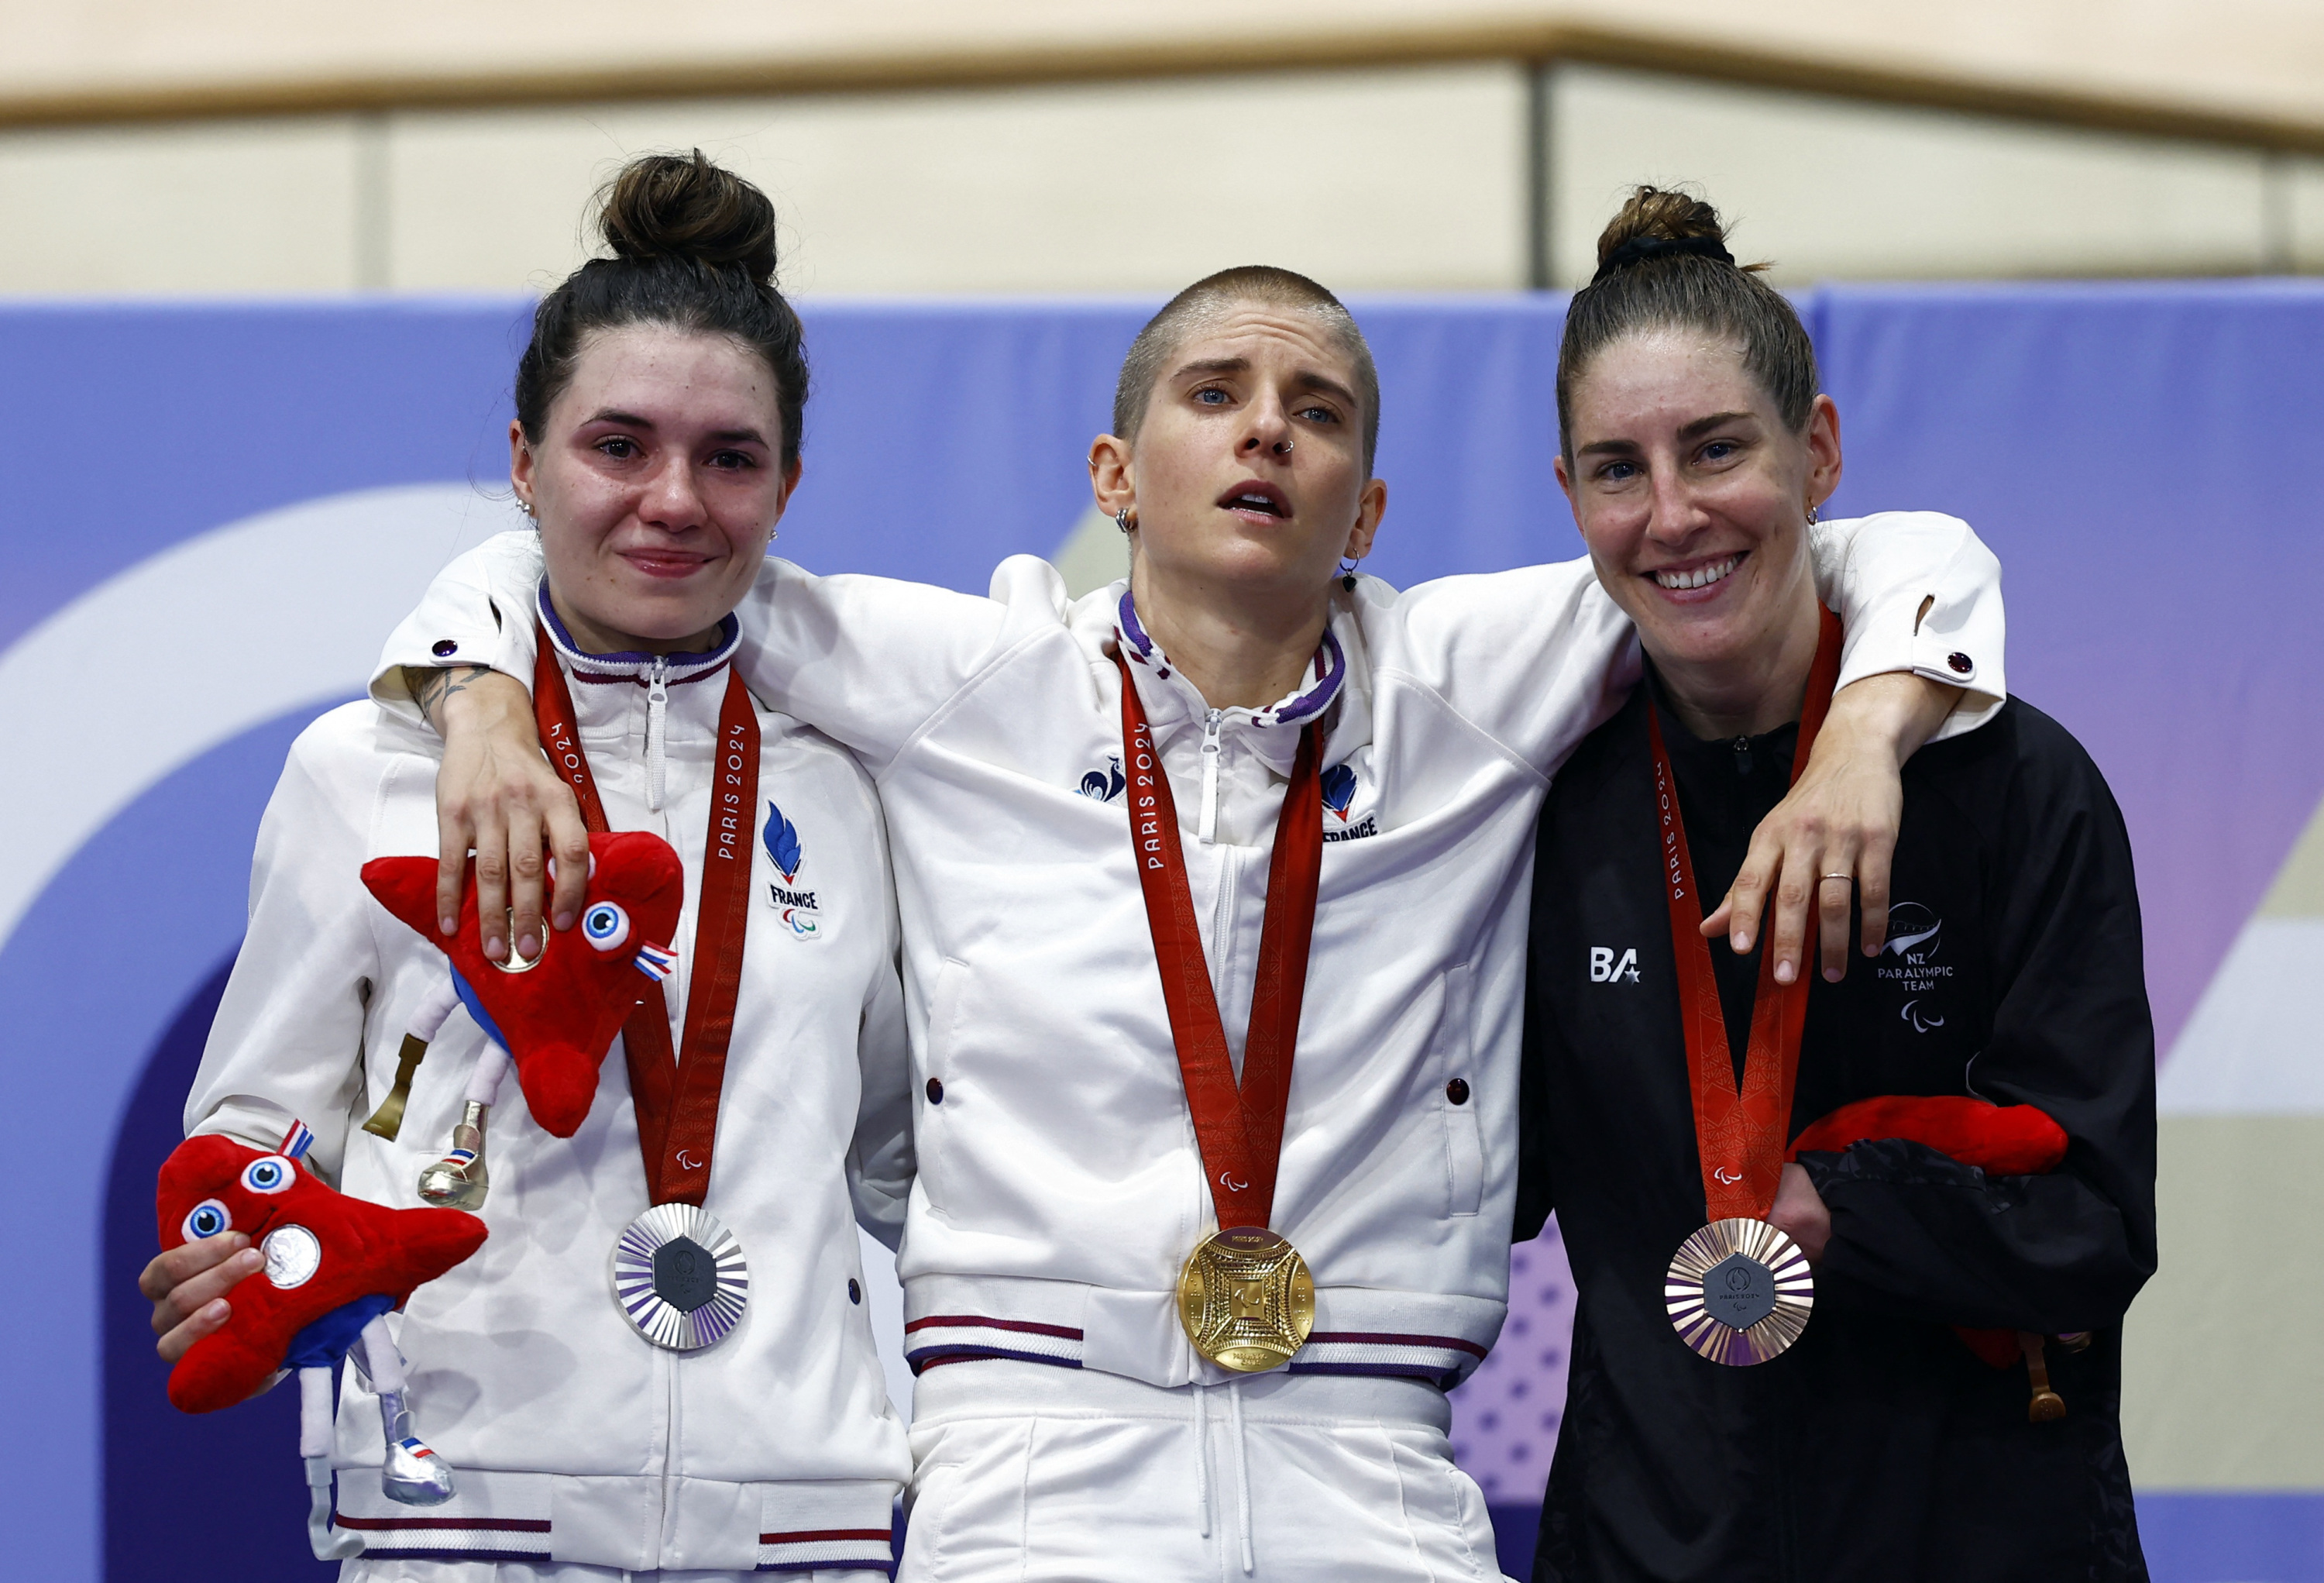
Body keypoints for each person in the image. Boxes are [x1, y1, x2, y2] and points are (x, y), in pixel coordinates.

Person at [358, 260, 2009, 1579]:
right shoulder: (975, 682)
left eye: (1317, 410)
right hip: (1031, 1473)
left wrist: (1865, 739)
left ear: (1367, 509)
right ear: (1117, 476)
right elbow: (652, 559)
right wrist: (485, 696)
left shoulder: (1473, 682)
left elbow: (1874, 544)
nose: (1265, 432)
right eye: (1215, 395)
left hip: (1372, 1471)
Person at [137, 152, 915, 1580]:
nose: (672, 499)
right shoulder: (364, 774)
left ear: (788, 485)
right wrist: (234, 1253)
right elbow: (254, 1124)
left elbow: (905, 1159)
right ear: (521, 462)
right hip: (461, 1515)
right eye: (617, 445)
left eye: (728, 457)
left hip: (803, 1518)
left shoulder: (862, 781)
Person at [1514, 188, 2155, 1582]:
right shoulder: (1551, 809)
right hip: (1650, 1544)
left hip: (1981, 1537)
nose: (1674, 514)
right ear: (1570, 499)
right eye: (1618, 468)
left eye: (1718, 449)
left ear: (1819, 454)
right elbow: (1486, 1174)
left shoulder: (2014, 786)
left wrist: (1833, 1203)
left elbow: (2096, 1226)